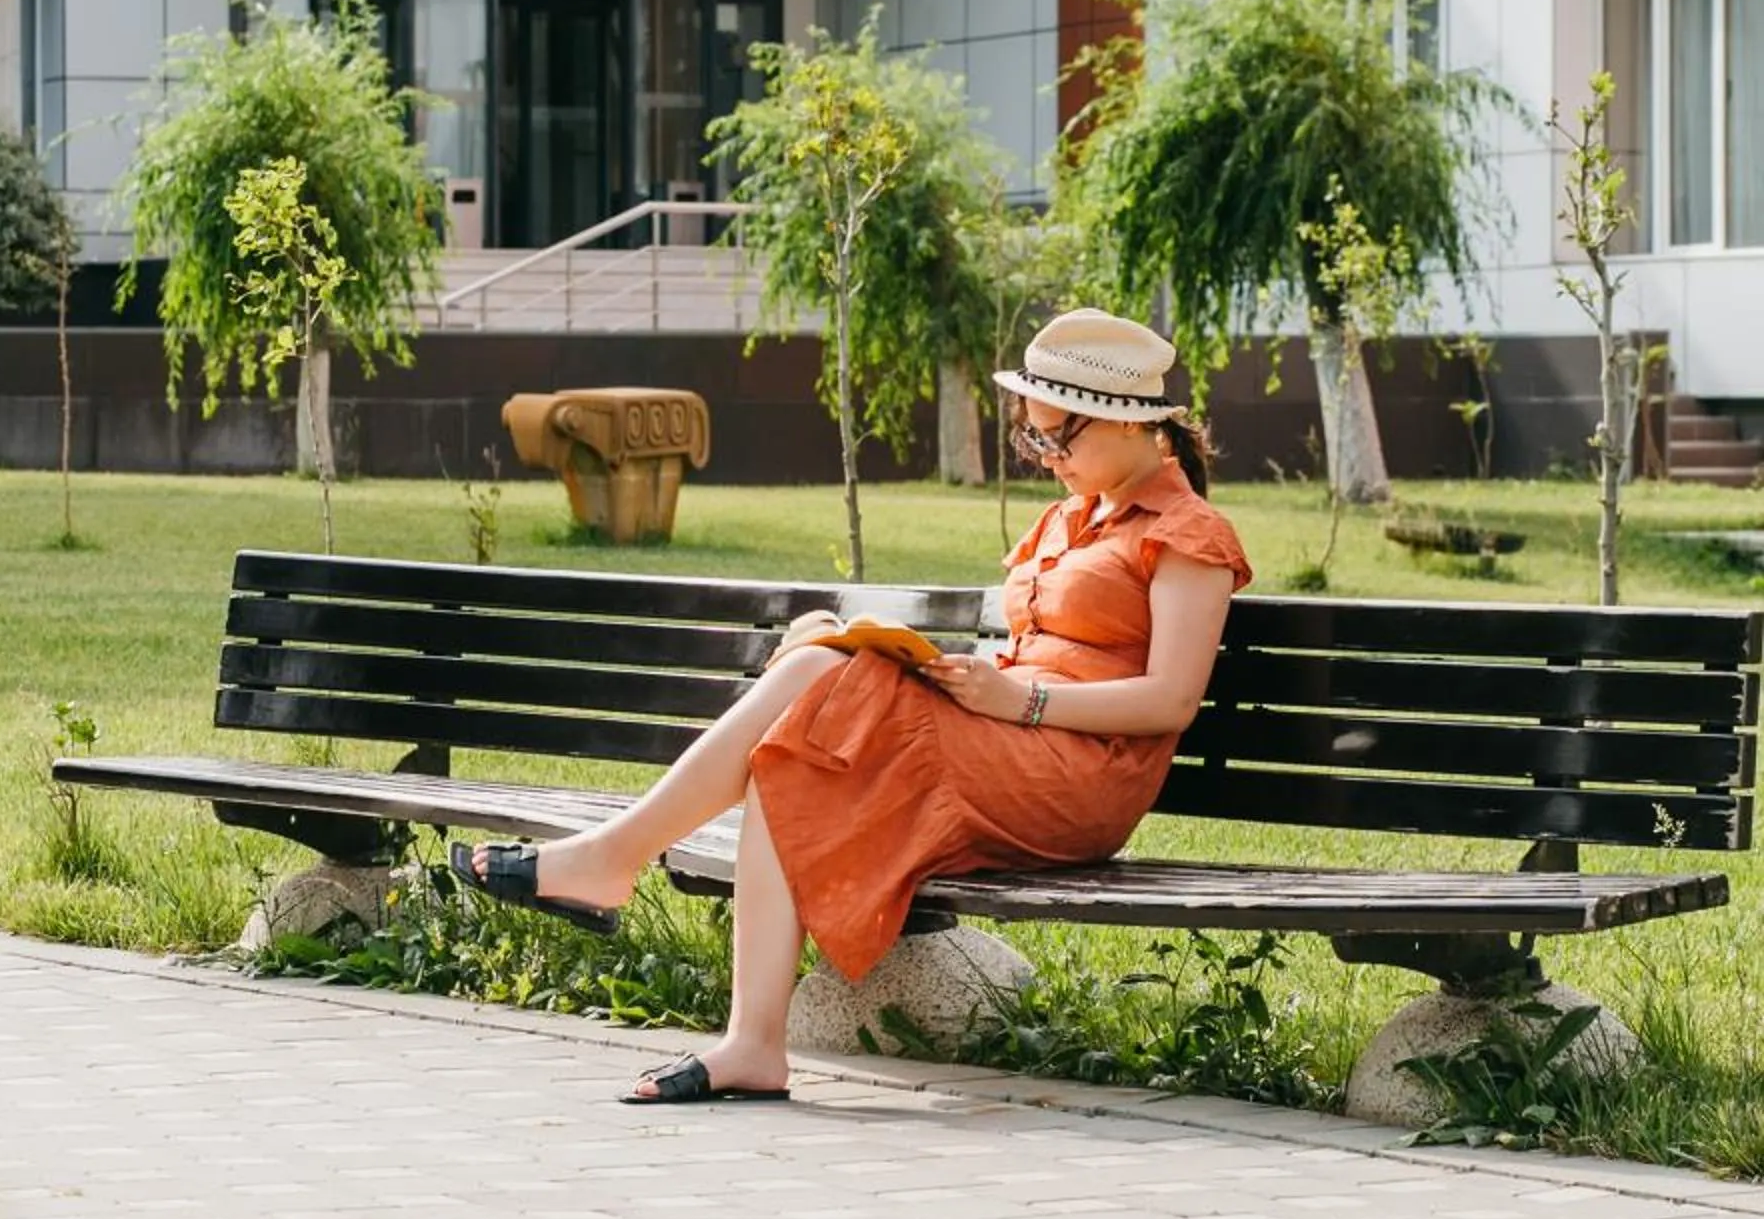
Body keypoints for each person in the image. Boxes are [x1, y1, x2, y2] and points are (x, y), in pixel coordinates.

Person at [452, 310, 1251, 1108]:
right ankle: (753, 1042)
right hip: (1005, 740)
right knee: (797, 728)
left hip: (1076, 777)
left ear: (1123, 419)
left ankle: (612, 860)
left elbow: (1169, 699)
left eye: (1057, 438)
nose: (1046, 459)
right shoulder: (1070, 520)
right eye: (1033, 440)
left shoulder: (1189, 534)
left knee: (817, 674)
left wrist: (1022, 699)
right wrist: (965, 681)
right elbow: (1030, 653)